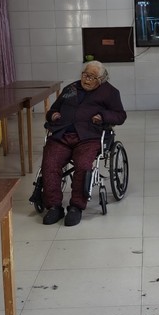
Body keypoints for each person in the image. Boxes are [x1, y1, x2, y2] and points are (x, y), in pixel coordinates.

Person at [40, 61, 126, 227]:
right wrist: (53, 115)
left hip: (89, 137)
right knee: (50, 163)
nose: (86, 80)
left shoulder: (110, 92)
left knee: (83, 164)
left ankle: (76, 207)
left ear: (101, 79)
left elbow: (120, 116)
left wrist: (103, 116)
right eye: (85, 75)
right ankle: (54, 206)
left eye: (92, 77)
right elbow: (53, 110)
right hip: (62, 135)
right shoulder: (71, 89)